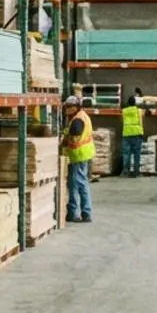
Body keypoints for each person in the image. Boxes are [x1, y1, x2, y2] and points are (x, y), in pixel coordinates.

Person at [62, 95, 94, 223]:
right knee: (81, 184)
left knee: (75, 184)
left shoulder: (78, 120)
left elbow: (75, 132)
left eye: (69, 107)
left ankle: (75, 212)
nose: (67, 109)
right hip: (82, 155)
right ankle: (85, 213)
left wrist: (65, 136)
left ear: (75, 107)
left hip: (78, 155)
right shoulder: (80, 116)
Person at [120, 92, 145, 177]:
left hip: (126, 134)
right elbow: (141, 121)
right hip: (137, 134)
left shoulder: (124, 111)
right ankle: (136, 172)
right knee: (136, 154)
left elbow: (122, 121)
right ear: (135, 102)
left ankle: (126, 172)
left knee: (126, 154)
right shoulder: (139, 111)